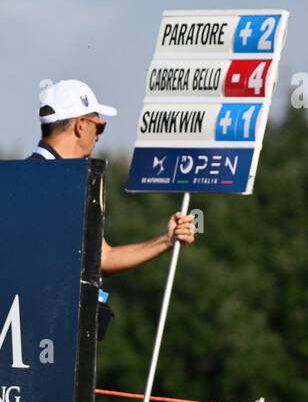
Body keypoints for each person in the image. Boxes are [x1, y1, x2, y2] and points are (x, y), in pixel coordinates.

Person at [29, 79, 195, 275]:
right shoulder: (71, 185)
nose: (98, 136)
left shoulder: (19, 177)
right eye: (99, 126)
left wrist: (168, 240)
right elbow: (102, 260)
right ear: (81, 125)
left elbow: (102, 258)